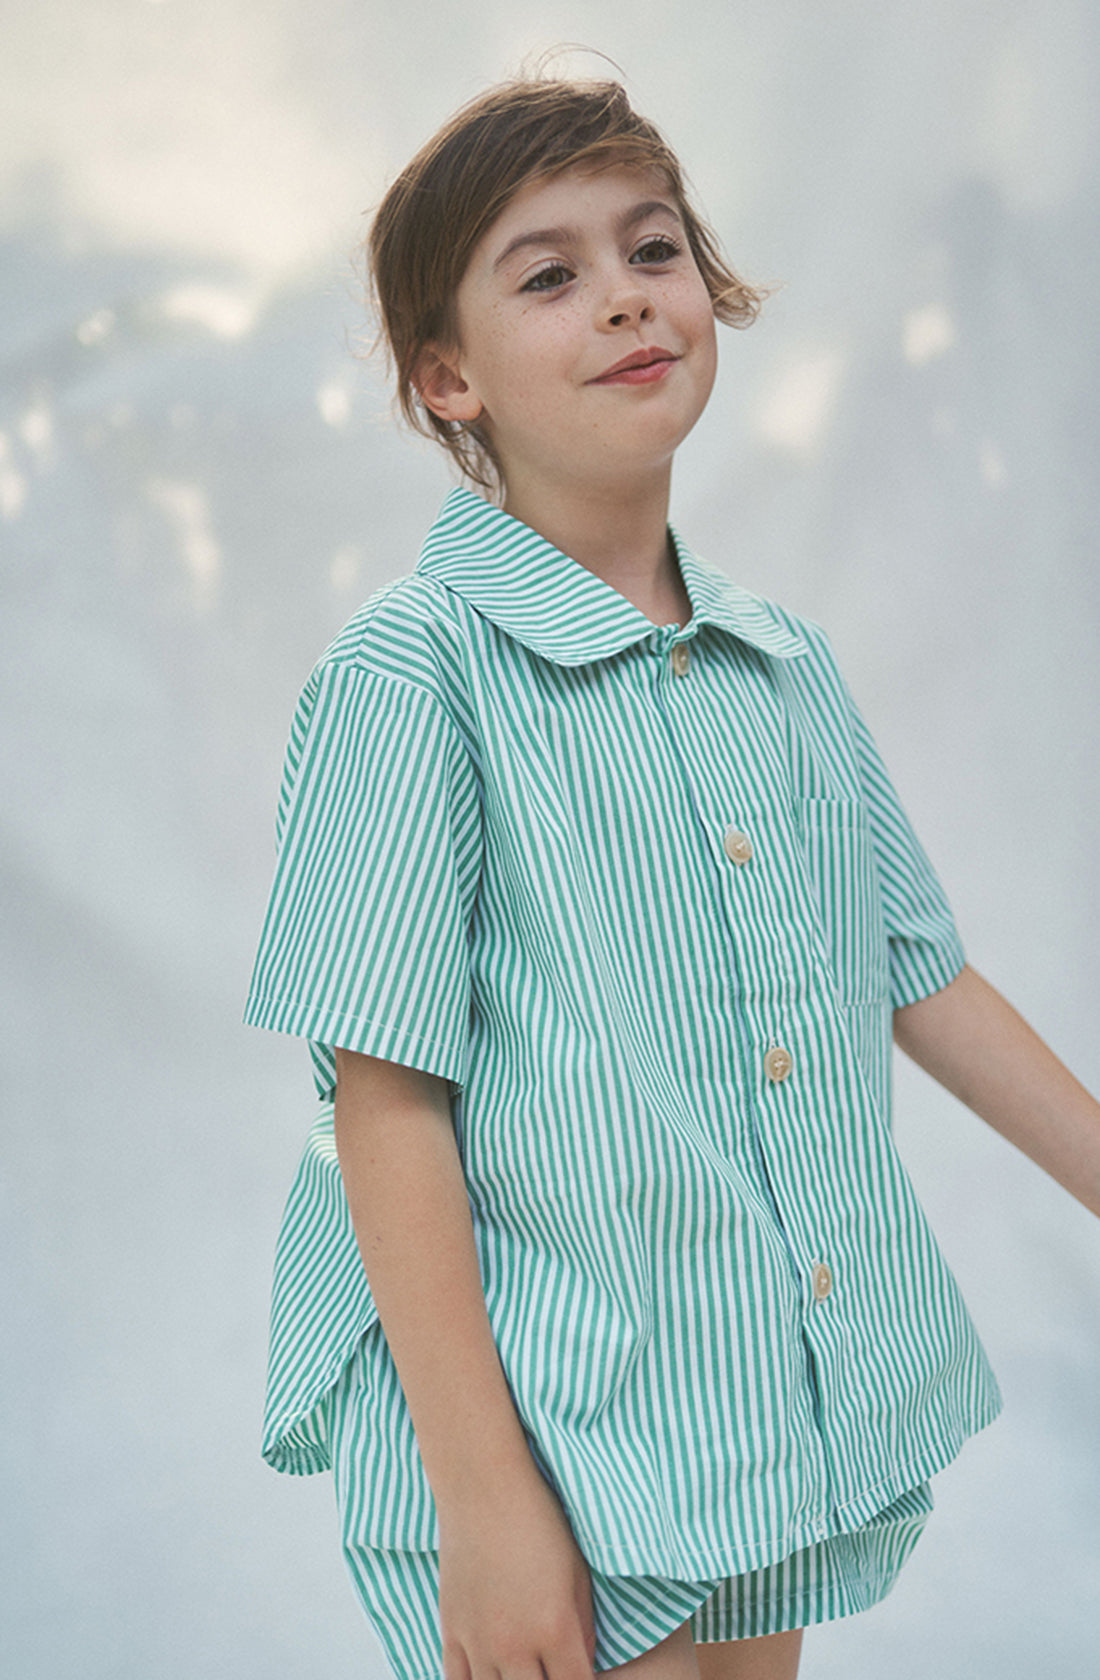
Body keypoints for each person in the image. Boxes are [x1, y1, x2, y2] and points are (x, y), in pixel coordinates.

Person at [243, 72, 1100, 1680]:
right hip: (546, 1409)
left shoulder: (782, 665)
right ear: (447, 380)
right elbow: (387, 1103)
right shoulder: (412, 680)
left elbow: (921, 971)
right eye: (548, 273)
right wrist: (485, 1497)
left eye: (654, 248)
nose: (629, 294)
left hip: (754, 1386)